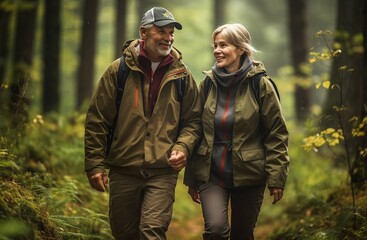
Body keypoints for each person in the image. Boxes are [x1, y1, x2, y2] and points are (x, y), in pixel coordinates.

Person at [84, 7, 201, 240]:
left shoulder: (182, 75)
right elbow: (98, 120)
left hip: (162, 170)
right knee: (124, 234)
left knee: (151, 231)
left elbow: (194, 120)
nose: (168, 37)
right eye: (161, 31)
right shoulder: (118, 71)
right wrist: (94, 164)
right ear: (143, 32)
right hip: (123, 169)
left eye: (171, 32)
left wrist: (183, 147)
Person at [185, 23, 290, 240]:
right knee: (215, 230)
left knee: (243, 234)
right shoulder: (207, 85)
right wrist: (192, 177)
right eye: (215, 45)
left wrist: (277, 177)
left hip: (250, 174)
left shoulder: (261, 84)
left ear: (240, 49)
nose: (217, 50)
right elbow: (195, 128)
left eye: (223, 45)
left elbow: (276, 133)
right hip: (212, 173)